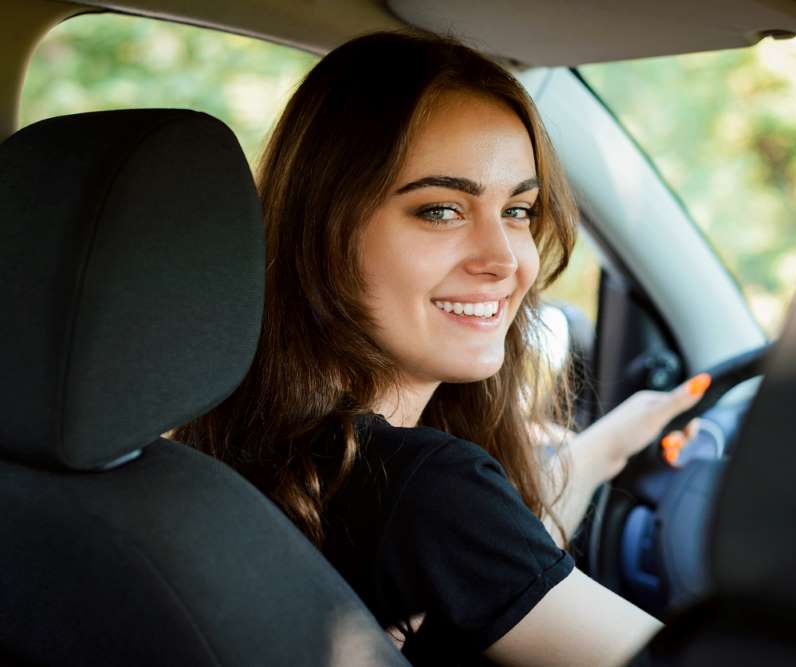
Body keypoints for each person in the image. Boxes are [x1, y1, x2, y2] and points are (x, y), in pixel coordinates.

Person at [174, 30, 710, 666]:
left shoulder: (257, 451)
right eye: (440, 211)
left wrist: (603, 449)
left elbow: (497, 566)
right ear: (325, 231)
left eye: (518, 211)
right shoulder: (427, 490)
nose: (503, 260)